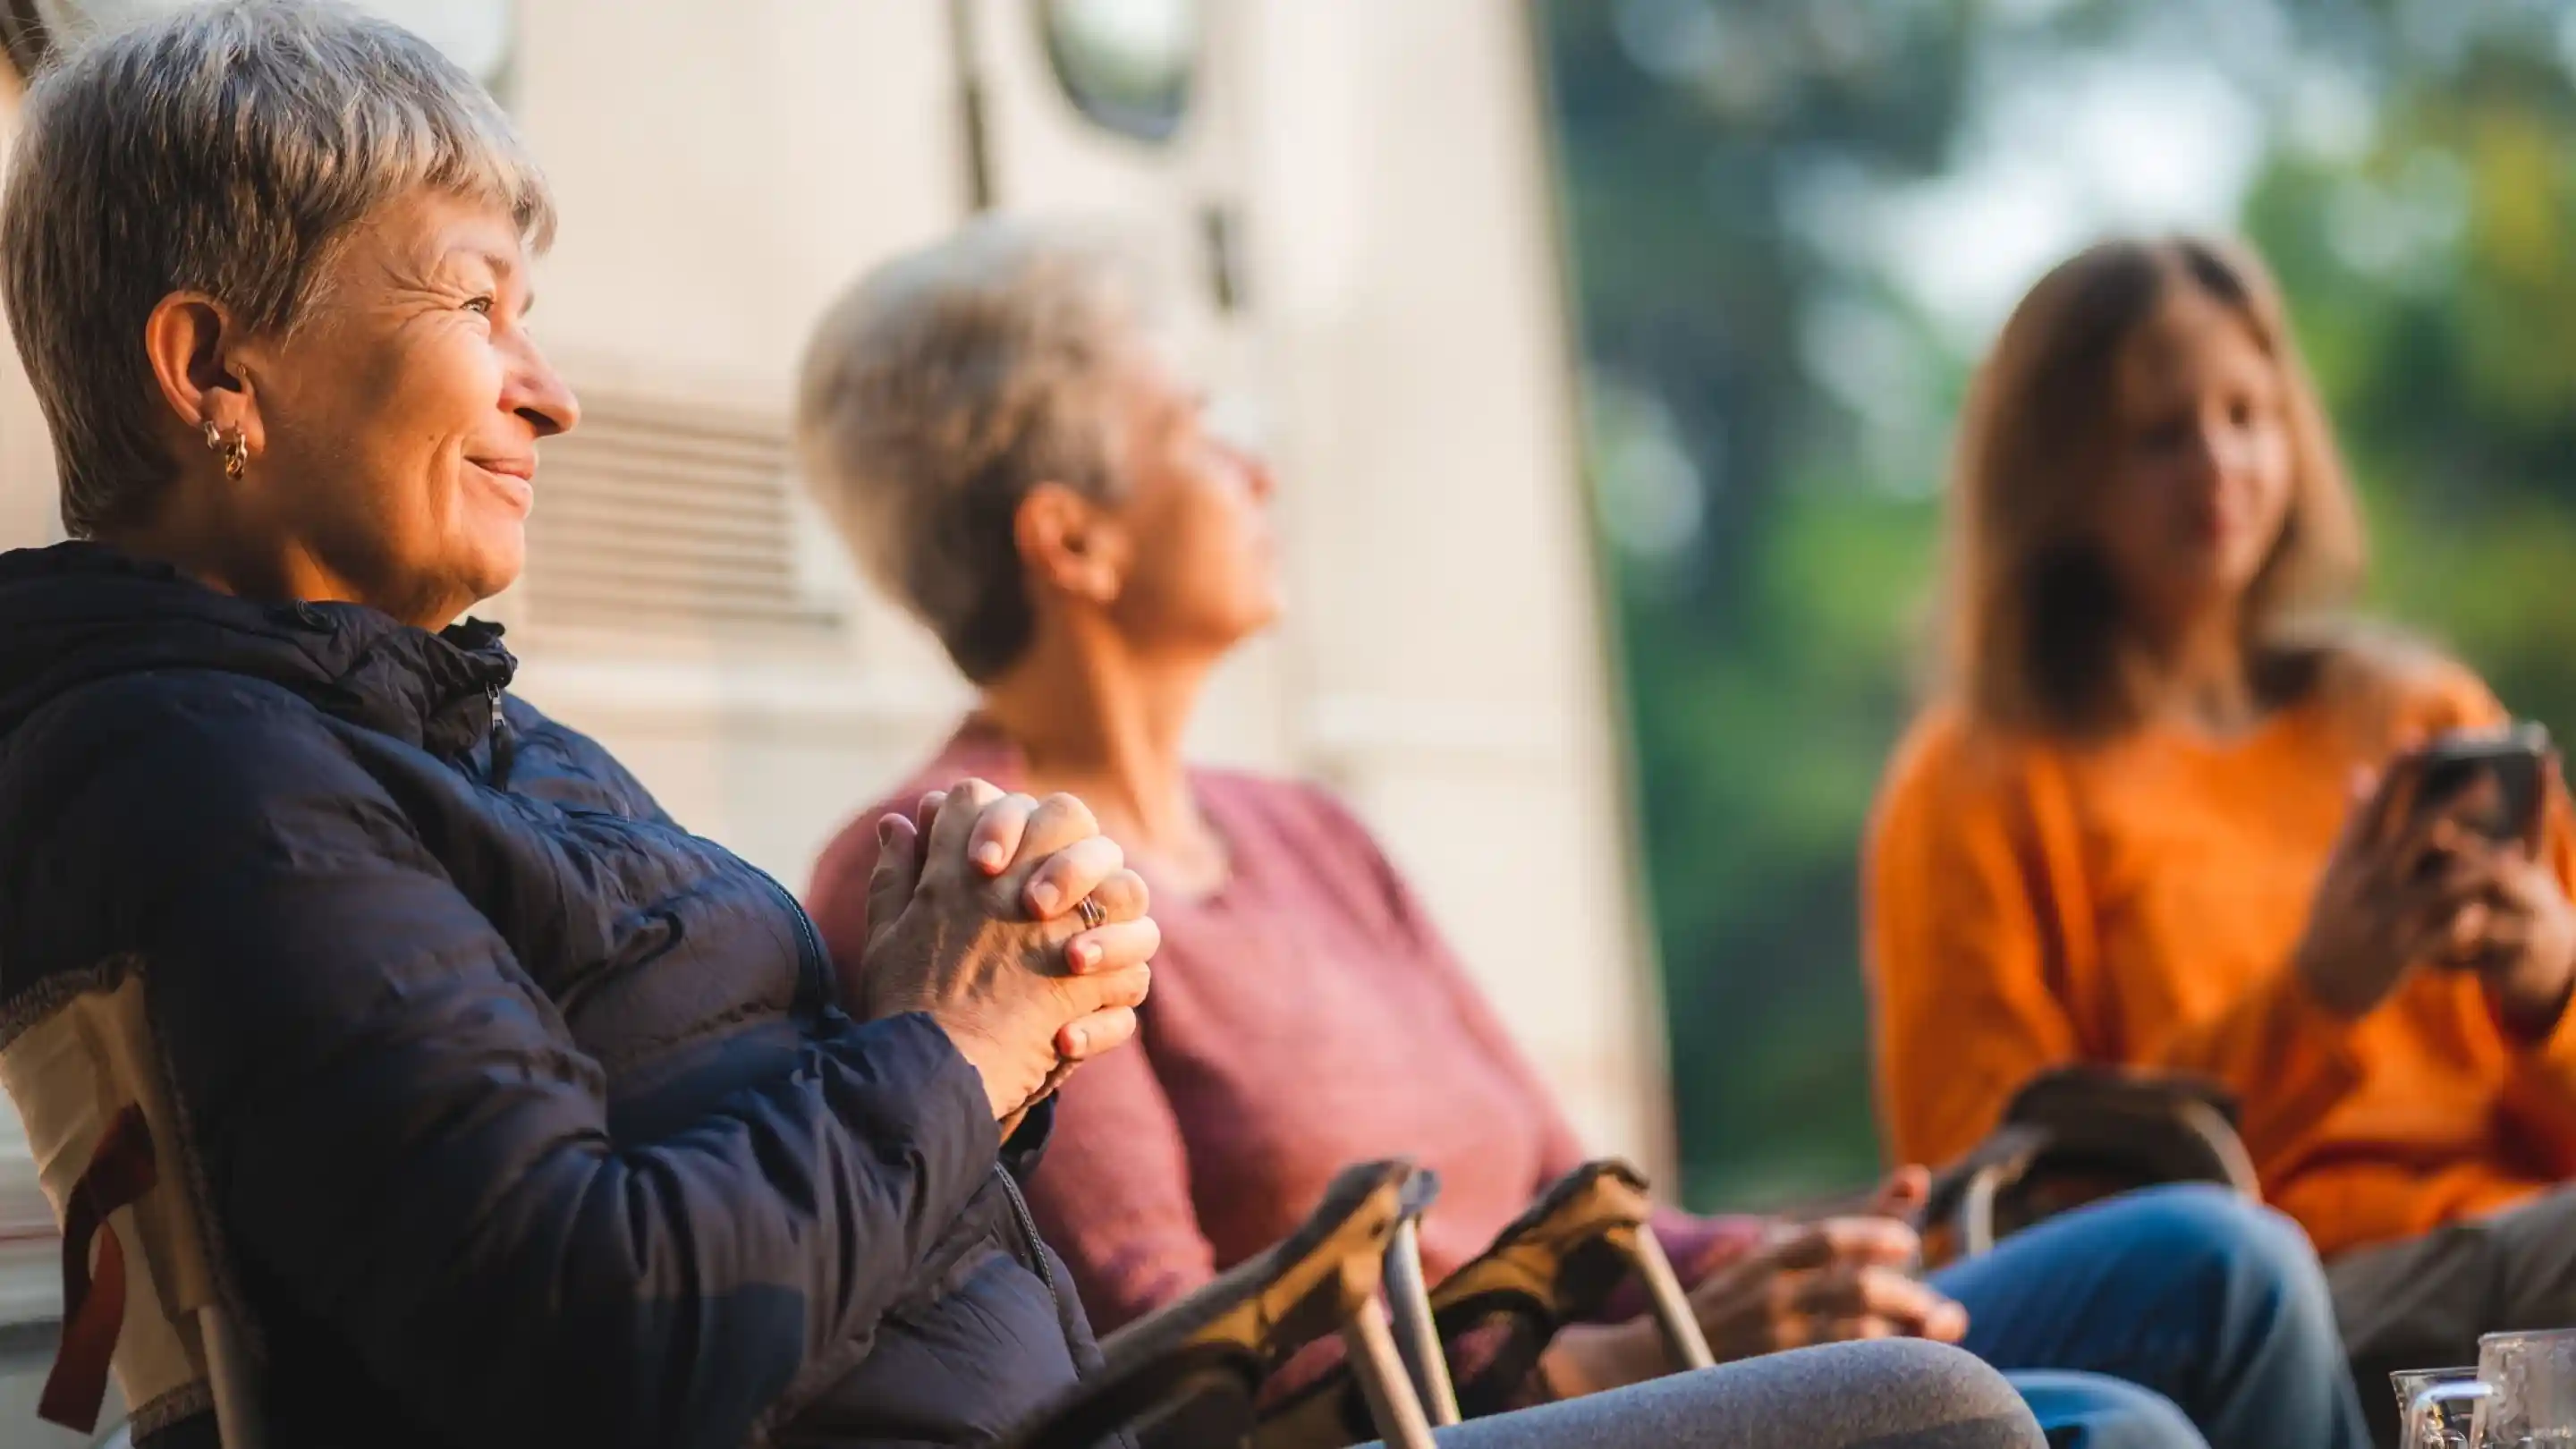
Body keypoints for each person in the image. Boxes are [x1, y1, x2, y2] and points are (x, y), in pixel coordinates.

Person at [0, 8, 2055, 1449]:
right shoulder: (228, 782)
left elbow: (771, 1148)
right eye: (476, 308)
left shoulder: (418, 732)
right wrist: (954, 1042)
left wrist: (971, 989)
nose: (550, 394)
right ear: (216, 370)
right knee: (1962, 1413)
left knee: (2106, 1345)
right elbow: (599, 1335)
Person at [795, 217, 2368, 1449]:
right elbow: (1171, 1356)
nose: (1258, 464)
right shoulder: (978, 865)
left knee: (2217, 1253)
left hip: (1651, 1357)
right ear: (1071, 537)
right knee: (2124, 1425)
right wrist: (1622, 1353)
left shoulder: (1302, 835)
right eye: (1201, 430)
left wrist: (1790, 1264)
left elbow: (1575, 1191)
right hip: (1501, 1417)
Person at [1863, 235, 2576, 1441]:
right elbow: (1994, 1205)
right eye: (2160, 434)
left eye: (2250, 415)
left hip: (2519, 1235)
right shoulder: (1981, 777)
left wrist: (2549, 982)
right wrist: (2317, 1001)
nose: (2220, 466)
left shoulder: (2415, 713)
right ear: (2058, 472)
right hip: (2290, 1285)